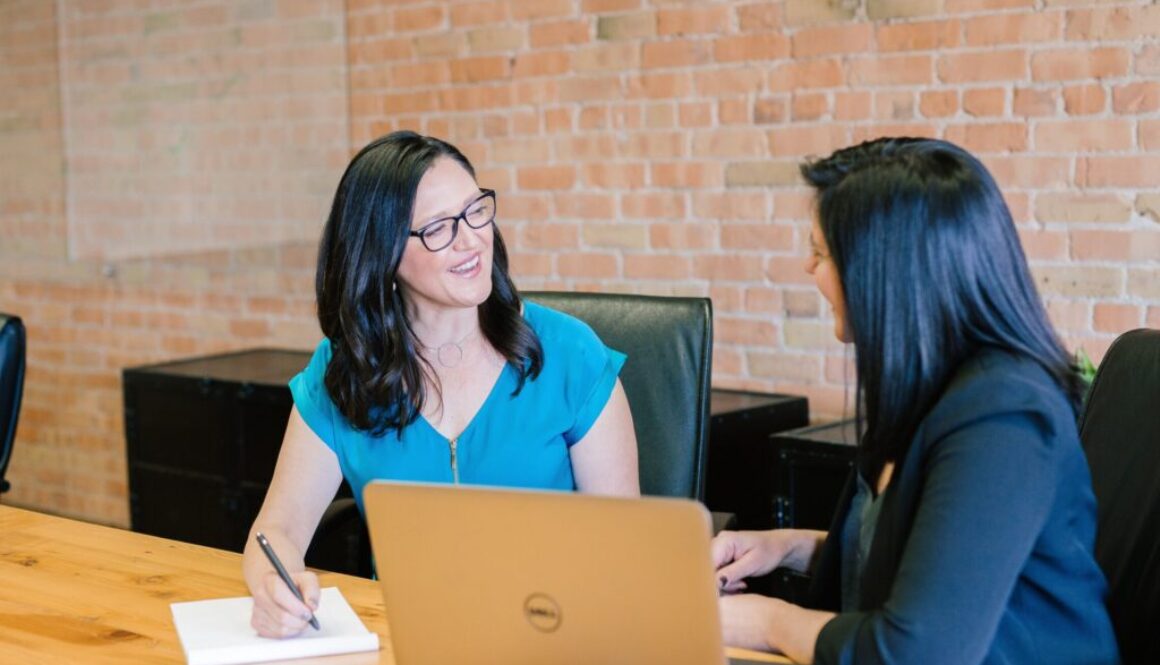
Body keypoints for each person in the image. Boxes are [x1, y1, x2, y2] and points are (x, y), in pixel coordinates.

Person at [713, 138, 1120, 664]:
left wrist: (766, 621)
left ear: (887, 270)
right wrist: (785, 547)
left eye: (820, 252)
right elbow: (920, 557)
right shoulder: (928, 388)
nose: (807, 268)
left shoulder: (1004, 417)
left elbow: (916, 652)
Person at [243, 131, 639, 637]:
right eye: (437, 228)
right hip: (405, 638)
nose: (472, 239)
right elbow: (275, 530)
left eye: (476, 211)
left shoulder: (570, 355)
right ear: (382, 254)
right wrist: (273, 590)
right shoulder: (343, 374)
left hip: (552, 634)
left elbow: (625, 549)